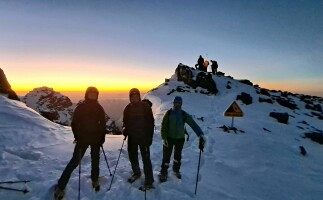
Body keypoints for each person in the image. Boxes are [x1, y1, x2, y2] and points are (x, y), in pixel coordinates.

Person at [54, 87, 106, 199]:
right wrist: (77, 135)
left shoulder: (99, 108)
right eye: (90, 94)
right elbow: (74, 123)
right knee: (74, 162)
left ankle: (95, 179)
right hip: (83, 139)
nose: (92, 96)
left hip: (95, 139)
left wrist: (102, 137)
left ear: (97, 96)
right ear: (86, 95)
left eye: (94, 95)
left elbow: (102, 124)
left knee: (95, 160)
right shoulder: (81, 107)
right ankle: (61, 185)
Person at [159, 96, 206, 182]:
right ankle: (163, 172)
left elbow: (192, 123)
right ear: (173, 103)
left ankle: (176, 170)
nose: (177, 104)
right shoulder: (168, 113)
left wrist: (200, 134)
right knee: (166, 156)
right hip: (169, 138)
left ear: (181, 104)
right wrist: (164, 138)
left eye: (179, 103)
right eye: (176, 102)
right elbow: (163, 126)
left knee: (178, 156)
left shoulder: (184, 114)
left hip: (180, 139)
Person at [123, 88, 155, 190]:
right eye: (132, 97)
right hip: (132, 138)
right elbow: (125, 122)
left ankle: (149, 181)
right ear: (130, 98)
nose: (135, 98)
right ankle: (137, 172)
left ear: (139, 97)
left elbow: (151, 123)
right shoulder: (128, 108)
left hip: (143, 138)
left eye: (136, 97)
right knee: (132, 156)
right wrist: (125, 129)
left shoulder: (145, 107)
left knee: (146, 159)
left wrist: (150, 137)